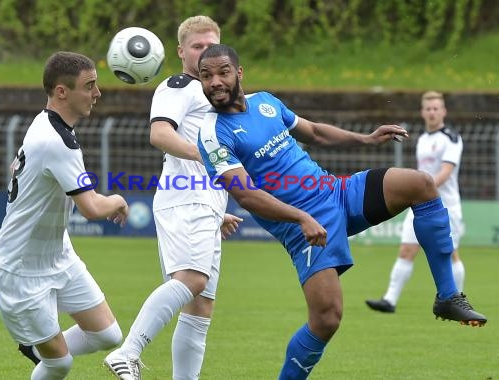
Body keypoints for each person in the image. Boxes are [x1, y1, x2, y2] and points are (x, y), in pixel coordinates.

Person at [195, 44, 487, 379]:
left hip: (337, 193)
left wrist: (366, 139)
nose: (215, 81)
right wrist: (301, 218)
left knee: (421, 185)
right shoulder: (213, 133)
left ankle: (447, 296)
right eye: (206, 76)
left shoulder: (267, 103)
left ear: (239, 72)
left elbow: (316, 132)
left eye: (222, 72)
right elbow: (247, 196)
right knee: (327, 319)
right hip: (301, 227)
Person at [104, 16, 242, 380]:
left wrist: (217, 212)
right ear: (181, 52)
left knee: (201, 305)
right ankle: (128, 351)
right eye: (197, 47)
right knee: (193, 280)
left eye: (211, 47)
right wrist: (204, 158)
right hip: (187, 199)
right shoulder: (180, 86)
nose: (204, 54)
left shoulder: (214, 94)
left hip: (204, 203)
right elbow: (160, 134)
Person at [0, 51, 128, 380]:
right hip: (20, 268)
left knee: (109, 335)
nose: (97, 93)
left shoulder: (49, 122)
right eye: (89, 86)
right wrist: (119, 199)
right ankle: (44, 351)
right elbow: (92, 208)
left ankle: (40, 346)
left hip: (57, 256)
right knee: (59, 364)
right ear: (62, 92)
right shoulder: (56, 142)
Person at [366, 91, 467, 313]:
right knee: (406, 250)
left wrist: (423, 189)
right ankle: (389, 300)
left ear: (443, 111)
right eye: (428, 108)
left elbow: (445, 173)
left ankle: (456, 301)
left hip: (446, 206)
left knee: (450, 253)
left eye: (436, 108)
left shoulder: (451, 138)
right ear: (422, 112)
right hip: (420, 206)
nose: (432, 112)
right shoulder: (422, 139)